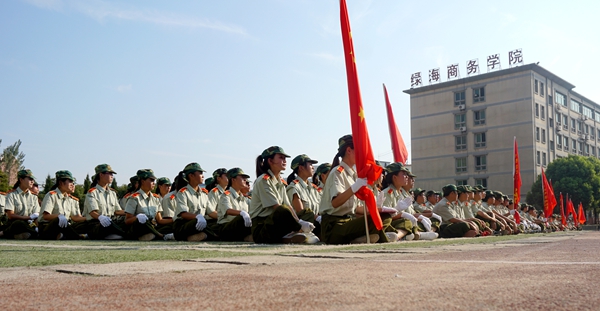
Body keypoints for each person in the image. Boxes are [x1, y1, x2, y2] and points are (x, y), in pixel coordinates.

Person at [318, 135, 393, 244]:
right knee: (376, 221)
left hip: (348, 221)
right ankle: (378, 239)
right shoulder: (337, 172)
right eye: (359, 151)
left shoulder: (354, 175)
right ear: (349, 150)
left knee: (384, 216)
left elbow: (356, 208)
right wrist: (354, 187)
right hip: (334, 226)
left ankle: (357, 239)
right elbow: (335, 202)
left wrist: (377, 209)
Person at [250, 146, 316, 244]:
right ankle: (295, 232)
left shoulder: (281, 182)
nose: (284, 161)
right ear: (270, 161)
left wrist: (299, 221)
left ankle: (291, 235)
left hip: (276, 224)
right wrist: (299, 224)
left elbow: (289, 206)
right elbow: (276, 206)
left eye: (285, 158)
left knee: (307, 213)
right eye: (281, 157)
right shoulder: (263, 180)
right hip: (262, 227)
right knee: (282, 209)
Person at [173, 162, 216, 241]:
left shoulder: (204, 194)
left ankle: (196, 237)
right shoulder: (183, 193)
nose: (203, 176)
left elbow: (211, 212)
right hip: (184, 225)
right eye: (200, 173)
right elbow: (183, 214)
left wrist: (223, 216)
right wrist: (198, 216)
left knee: (214, 224)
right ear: (191, 176)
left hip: (200, 224)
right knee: (199, 222)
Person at [38, 170, 87, 240]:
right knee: (58, 220)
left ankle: (63, 235)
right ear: (61, 183)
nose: (72, 185)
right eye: (70, 181)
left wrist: (90, 218)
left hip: (65, 226)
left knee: (86, 223)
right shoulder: (51, 195)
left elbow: (75, 218)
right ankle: (76, 236)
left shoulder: (71, 199)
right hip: (48, 227)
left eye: (73, 182)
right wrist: (59, 216)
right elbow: (46, 216)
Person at [83, 164, 127, 240]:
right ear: (101, 175)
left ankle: (116, 234)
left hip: (111, 222)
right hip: (96, 223)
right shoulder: (92, 192)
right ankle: (125, 235)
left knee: (127, 222)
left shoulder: (112, 193)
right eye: (109, 173)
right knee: (106, 226)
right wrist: (100, 217)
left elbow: (117, 211)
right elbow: (92, 212)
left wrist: (131, 213)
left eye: (112, 174)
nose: (112, 176)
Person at [124, 169, 166, 241]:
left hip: (153, 227)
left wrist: (174, 220)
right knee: (143, 223)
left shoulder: (155, 198)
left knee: (172, 226)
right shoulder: (134, 198)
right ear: (143, 181)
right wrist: (137, 217)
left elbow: (159, 220)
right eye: (151, 180)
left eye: (154, 181)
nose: (154, 183)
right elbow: (127, 221)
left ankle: (158, 234)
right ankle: (162, 236)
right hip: (139, 229)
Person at [0, 169, 40, 239]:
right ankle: (35, 234)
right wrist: (29, 217)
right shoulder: (12, 195)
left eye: (33, 179)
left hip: (29, 225)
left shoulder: (34, 197)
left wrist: (38, 226)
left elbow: (36, 216)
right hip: (14, 224)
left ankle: (16, 235)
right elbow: (10, 216)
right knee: (19, 223)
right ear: (21, 180)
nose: (32, 181)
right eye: (30, 179)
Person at [286, 154, 321, 234]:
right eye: (310, 164)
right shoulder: (294, 187)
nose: (313, 167)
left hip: (315, 223)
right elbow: (301, 212)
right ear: (301, 168)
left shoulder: (313, 188)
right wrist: (318, 218)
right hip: (303, 225)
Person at [217, 168, 253, 242]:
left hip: (240, 227)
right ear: (233, 180)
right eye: (242, 177)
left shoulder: (244, 198)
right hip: (226, 228)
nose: (245, 180)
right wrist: (242, 213)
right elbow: (228, 210)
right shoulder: (226, 195)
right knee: (242, 217)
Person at [206, 168, 228, 233]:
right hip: (214, 222)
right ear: (218, 178)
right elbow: (211, 212)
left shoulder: (227, 193)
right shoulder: (214, 193)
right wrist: (226, 218)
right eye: (226, 176)